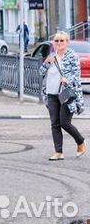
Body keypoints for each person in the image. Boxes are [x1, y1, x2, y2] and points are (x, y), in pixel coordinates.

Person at [39, 31, 86, 161]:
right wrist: (47, 63)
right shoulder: (52, 56)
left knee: (65, 122)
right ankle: (58, 152)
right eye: (57, 41)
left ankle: (80, 141)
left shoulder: (72, 56)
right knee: (55, 123)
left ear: (67, 42)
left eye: (62, 41)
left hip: (65, 94)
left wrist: (67, 79)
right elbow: (41, 72)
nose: (59, 43)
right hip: (51, 93)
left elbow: (76, 74)